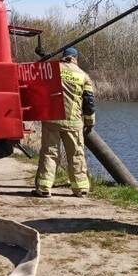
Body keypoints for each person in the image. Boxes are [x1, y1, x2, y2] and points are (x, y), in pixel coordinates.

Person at [34, 47, 96, 198]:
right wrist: (90, 122)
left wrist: (43, 57)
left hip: (52, 120)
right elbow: (88, 102)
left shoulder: (53, 70)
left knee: (49, 153)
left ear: (64, 57)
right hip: (73, 122)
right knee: (76, 154)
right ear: (75, 58)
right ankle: (80, 188)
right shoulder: (83, 76)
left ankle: (44, 187)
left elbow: (38, 84)